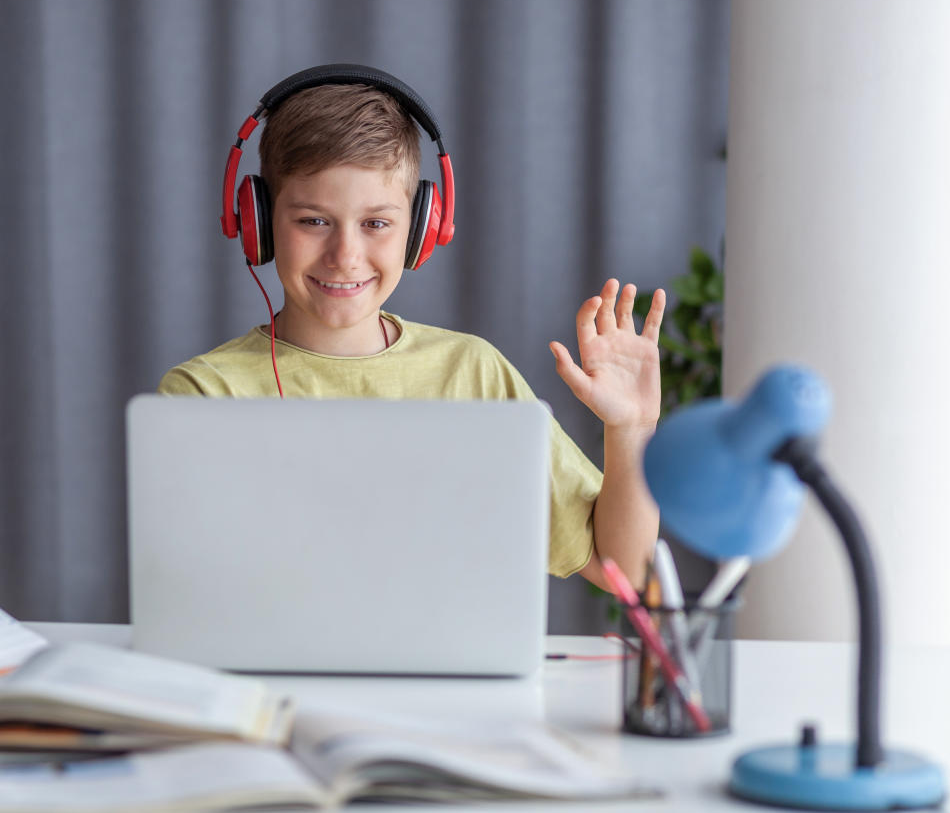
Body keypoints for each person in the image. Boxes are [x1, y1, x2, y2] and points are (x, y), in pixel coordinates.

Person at [159, 66, 664, 590]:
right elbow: (192, 592)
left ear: (422, 230)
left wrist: (630, 429)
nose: (345, 256)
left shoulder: (472, 374)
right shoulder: (206, 394)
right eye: (313, 220)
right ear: (256, 221)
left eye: (376, 223)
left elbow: (625, 572)